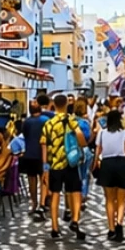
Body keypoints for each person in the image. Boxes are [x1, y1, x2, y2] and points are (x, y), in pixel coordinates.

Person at [41, 93, 87, 241]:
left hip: (54, 164)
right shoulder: (71, 120)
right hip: (69, 162)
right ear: (67, 104)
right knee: (75, 191)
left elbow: (44, 146)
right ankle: (75, 220)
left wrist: (45, 168)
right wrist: (82, 145)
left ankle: (55, 227)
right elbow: (80, 135)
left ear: (54, 105)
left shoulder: (48, 124)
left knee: (55, 194)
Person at [94, 107, 125, 242]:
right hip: (120, 164)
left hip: (107, 164)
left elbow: (98, 151)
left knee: (109, 199)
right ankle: (119, 225)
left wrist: (94, 164)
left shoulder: (102, 133)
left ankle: (111, 228)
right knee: (121, 199)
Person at [18, 95, 50, 218]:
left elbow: (25, 135)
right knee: (44, 178)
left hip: (29, 155)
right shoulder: (46, 120)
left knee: (32, 180)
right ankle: (42, 203)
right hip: (44, 156)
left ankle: (34, 203)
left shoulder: (26, 122)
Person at [73, 97, 95, 201]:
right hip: (84, 150)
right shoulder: (84, 123)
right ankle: (83, 195)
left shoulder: (72, 121)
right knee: (84, 174)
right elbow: (89, 138)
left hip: (72, 150)